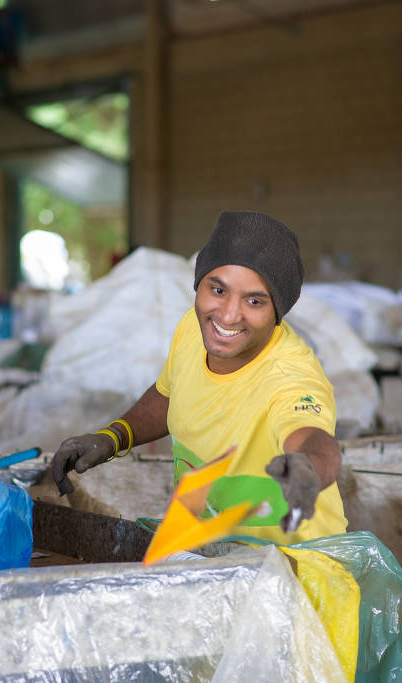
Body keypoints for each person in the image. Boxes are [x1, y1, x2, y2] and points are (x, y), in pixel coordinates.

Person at [50, 210, 347, 544]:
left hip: (296, 571)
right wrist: (113, 437)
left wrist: (310, 468)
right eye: (218, 290)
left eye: (254, 301)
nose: (228, 315)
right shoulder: (193, 328)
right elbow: (169, 394)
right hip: (218, 557)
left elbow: (312, 439)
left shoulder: (289, 376)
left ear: (278, 311)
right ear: (199, 283)